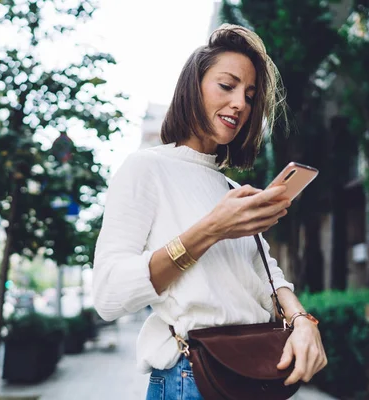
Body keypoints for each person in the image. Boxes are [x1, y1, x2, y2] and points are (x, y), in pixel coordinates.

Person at [92, 24, 327, 400]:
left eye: (250, 96)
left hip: (256, 373)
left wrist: (303, 321)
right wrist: (210, 230)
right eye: (227, 85)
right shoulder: (146, 168)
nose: (241, 104)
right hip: (193, 377)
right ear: (193, 86)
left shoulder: (230, 190)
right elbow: (108, 295)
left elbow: (269, 277)